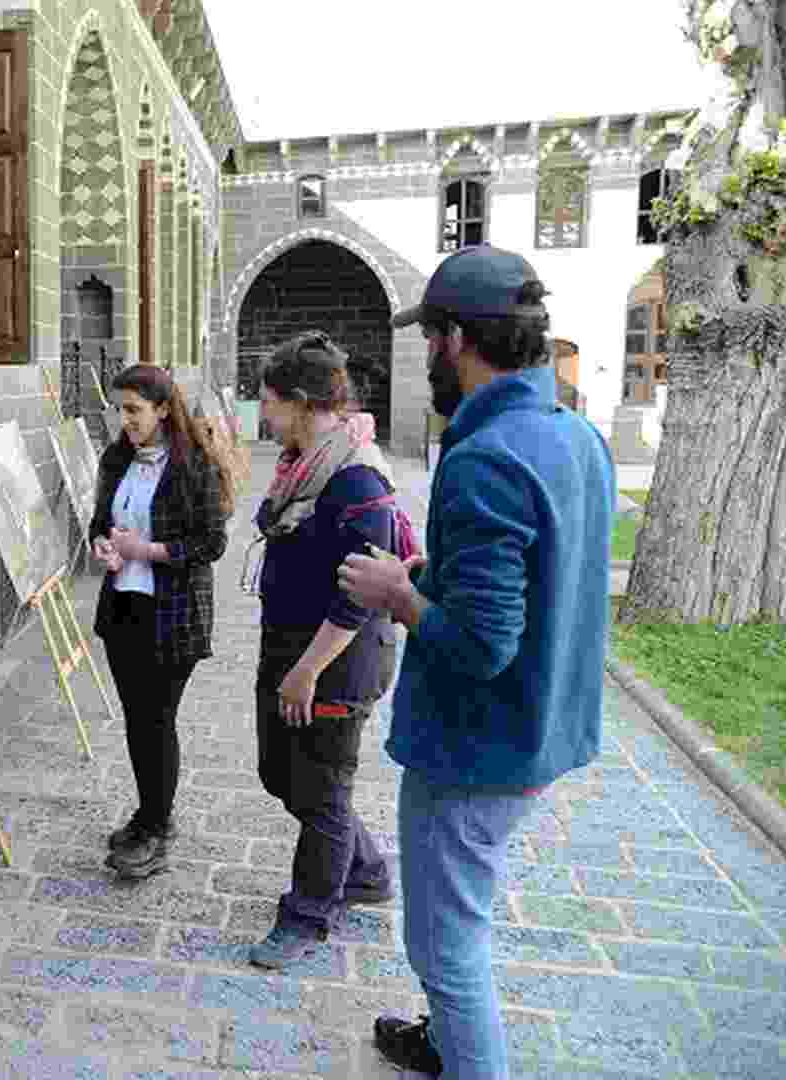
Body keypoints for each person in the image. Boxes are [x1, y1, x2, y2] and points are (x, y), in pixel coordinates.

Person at [338, 245, 614, 1080]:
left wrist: (397, 592)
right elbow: (534, 583)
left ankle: (469, 1058)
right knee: (461, 915)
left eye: (429, 338)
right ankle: (444, 1042)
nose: (425, 356)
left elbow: (481, 644)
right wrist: (431, 576)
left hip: (475, 749)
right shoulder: (574, 434)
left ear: (456, 337)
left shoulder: (485, 457)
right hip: (541, 732)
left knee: (445, 945)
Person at [243, 330, 405, 970]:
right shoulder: (300, 467)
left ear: (302, 402)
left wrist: (307, 671)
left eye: (269, 403)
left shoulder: (358, 478)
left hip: (336, 663)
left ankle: (309, 914)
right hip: (288, 647)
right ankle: (364, 869)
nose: (263, 416)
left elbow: (360, 594)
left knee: (323, 787)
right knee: (281, 775)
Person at [90, 363, 233, 881]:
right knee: (136, 718)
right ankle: (149, 813)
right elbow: (99, 521)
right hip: (123, 608)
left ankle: (155, 826)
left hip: (172, 614)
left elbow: (211, 543)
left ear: (164, 409)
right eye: (119, 409)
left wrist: (147, 550)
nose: (124, 419)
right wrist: (104, 546)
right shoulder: (116, 457)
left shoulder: (194, 465)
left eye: (134, 409)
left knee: (157, 718)